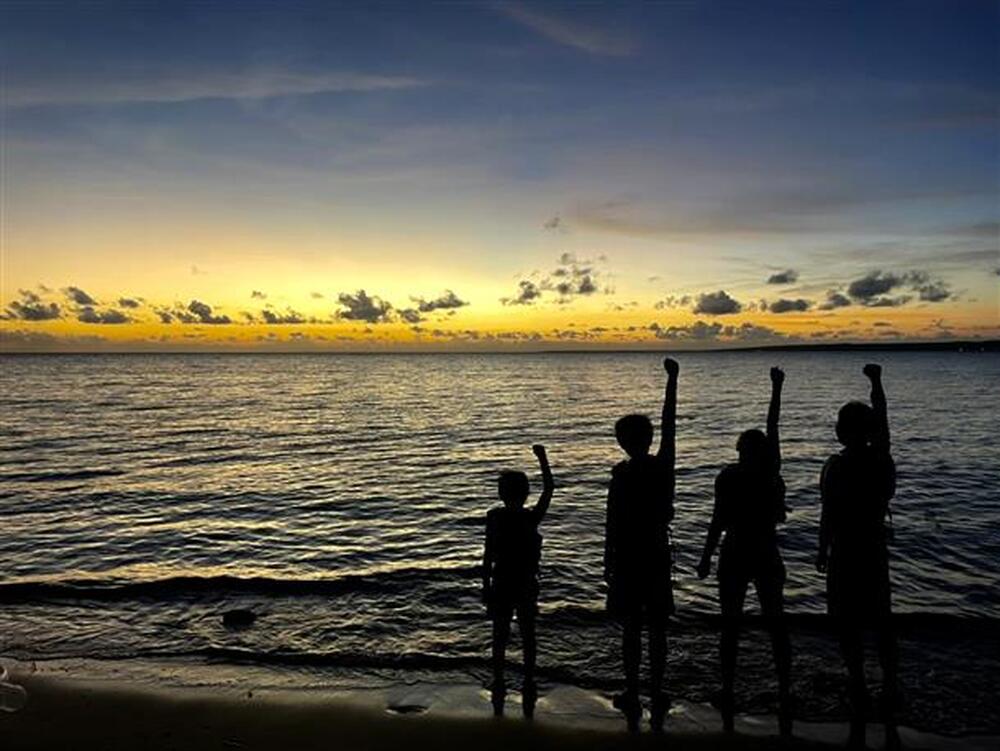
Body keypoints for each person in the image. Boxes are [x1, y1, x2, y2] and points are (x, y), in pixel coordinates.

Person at [696, 366, 793, 736]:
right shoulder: (767, 473)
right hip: (762, 551)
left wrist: (706, 556)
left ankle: (729, 688)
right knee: (773, 623)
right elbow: (774, 427)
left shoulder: (732, 476)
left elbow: (717, 520)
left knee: (732, 625)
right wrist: (776, 388)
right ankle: (783, 689)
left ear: (740, 451)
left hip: (737, 551)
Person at [817, 364, 900, 750]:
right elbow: (883, 425)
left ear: (842, 431)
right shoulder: (879, 459)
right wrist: (877, 384)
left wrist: (822, 549)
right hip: (872, 549)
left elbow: (828, 513)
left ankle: (859, 684)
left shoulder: (837, 467)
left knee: (848, 621)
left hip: (847, 551)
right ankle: (888, 686)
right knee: (880, 619)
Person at [603, 357, 678, 732]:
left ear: (624, 442)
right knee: (655, 628)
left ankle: (635, 690)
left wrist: (608, 559)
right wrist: (672, 382)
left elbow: (612, 522)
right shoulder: (658, 467)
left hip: (632, 556)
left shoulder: (624, 473)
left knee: (634, 628)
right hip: (653, 553)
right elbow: (669, 425)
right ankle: (654, 690)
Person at [482, 444, 554, 718]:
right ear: (525, 494)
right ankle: (528, 680)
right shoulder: (529, 518)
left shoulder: (495, 517)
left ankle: (499, 680)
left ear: (502, 494)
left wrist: (485, 586)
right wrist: (543, 459)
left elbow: (487, 555)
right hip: (523, 582)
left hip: (502, 581)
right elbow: (549, 489)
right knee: (527, 634)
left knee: (500, 634)